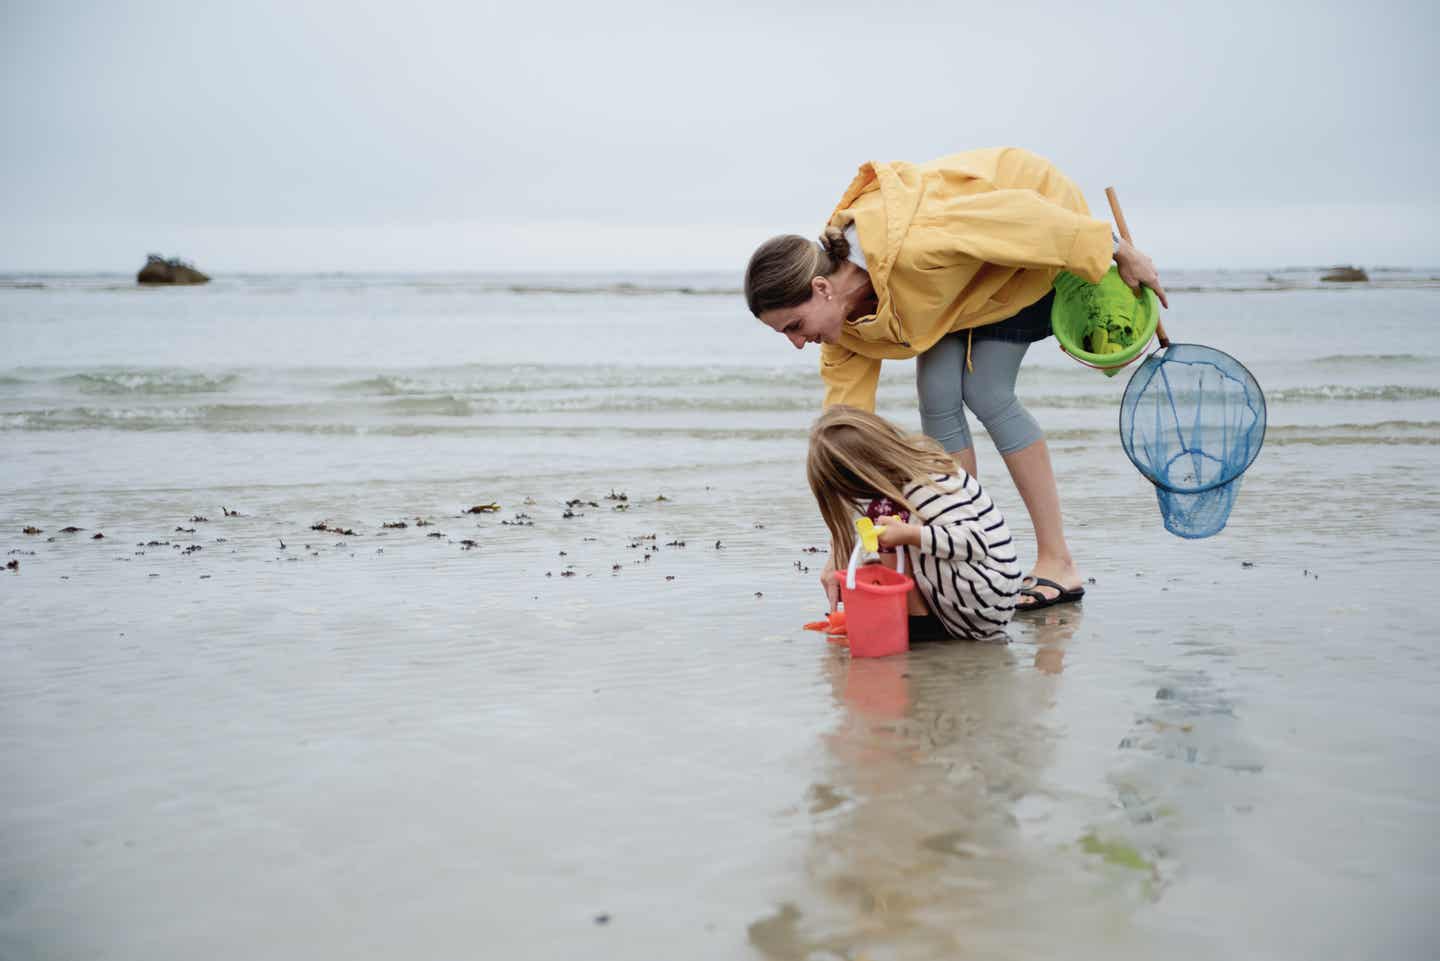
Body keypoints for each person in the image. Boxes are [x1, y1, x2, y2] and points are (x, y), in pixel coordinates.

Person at [745, 146, 1167, 611]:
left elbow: (1021, 217)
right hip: (958, 286)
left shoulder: (915, 244)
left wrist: (1119, 251)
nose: (798, 344)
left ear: (821, 289)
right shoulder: (842, 330)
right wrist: (840, 550)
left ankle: (1058, 561)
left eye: (794, 327)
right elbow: (842, 432)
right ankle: (964, 558)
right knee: (937, 395)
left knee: (985, 390)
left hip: (1033, 232)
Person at [807, 405, 1023, 641]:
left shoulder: (926, 484)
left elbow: (974, 543)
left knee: (891, 522)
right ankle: (916, 619)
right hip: (986, 596)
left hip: (985, 602)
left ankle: (919, 625)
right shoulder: (910, 477)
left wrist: (910, 535)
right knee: (883, 539)